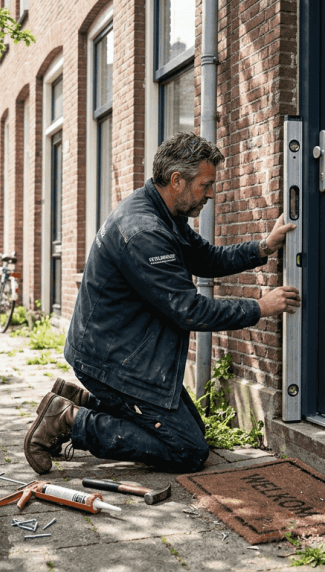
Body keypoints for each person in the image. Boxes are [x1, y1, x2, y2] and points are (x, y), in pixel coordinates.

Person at [23, 132, 301, 475]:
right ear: (177, 180)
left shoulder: (164, 212)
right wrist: (260, 307)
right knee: (187, 450)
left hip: (129, 353)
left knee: (193, 432)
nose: (211, 193)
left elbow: (206, 258)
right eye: (205, 184)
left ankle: (81, 401)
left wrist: (263, 247)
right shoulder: (145, 232)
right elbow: (190, 311)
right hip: (113, 362)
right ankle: (68, 419)